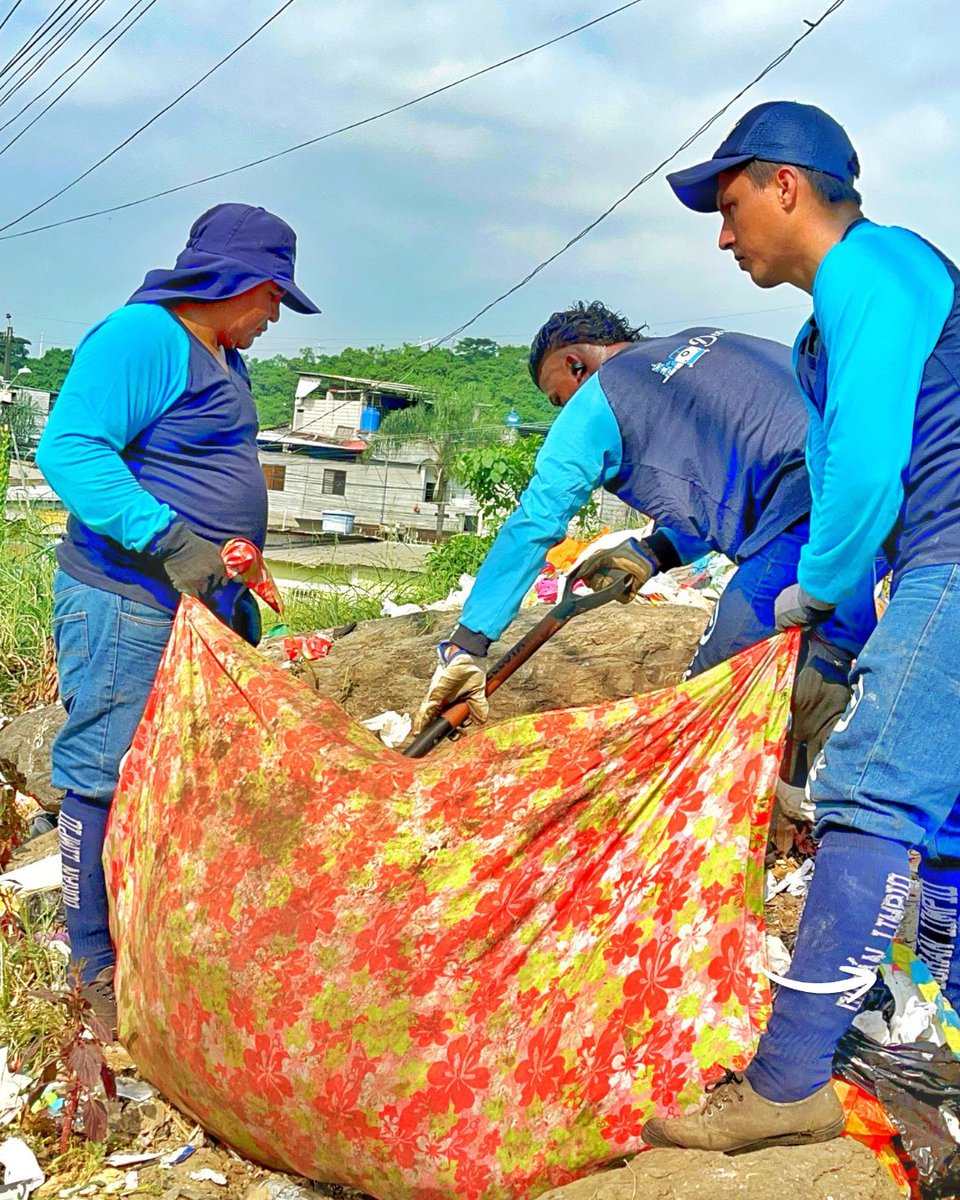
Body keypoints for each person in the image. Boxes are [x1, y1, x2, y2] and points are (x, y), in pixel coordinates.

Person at [639, 99, 960, 1153]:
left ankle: (785, 1085)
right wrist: (844, 622)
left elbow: (867, 475)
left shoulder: (879, 268)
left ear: (787, 184)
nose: (723, 236)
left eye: (730, 207)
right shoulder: (823, 329)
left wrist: (809, 597)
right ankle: (939, 1029)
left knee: (868, 792)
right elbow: (844, 486)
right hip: (927, 562)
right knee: (939, 810)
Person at [36, 202, 320, 1036]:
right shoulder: (142, 338)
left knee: (182, 777)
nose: (274, 318)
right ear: (243, 284)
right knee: (102, 771)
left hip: (195, 609)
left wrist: (232, 576)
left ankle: (160, 944)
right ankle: (91, 971)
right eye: (274, 300)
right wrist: (169, 540)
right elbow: (70, 449)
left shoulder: (219, 355)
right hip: (126, 599)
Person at [417, 300, 875, 780]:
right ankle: (805, 818)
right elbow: (727, 481)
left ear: (576, 365)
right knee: (835, 675)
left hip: (802, 510)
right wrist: (654, 551)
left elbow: (536, 522)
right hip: (864, 504)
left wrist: (469, 642)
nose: (563, 412)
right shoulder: (706, 338)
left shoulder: (600, 396)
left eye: (559, 400)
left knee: (706, 703)